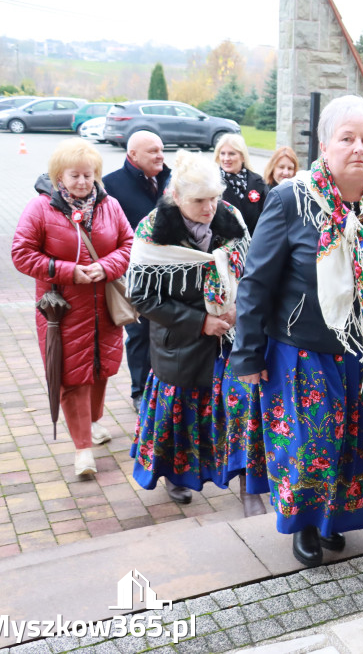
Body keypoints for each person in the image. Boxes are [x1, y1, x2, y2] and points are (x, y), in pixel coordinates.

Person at [231, 95, 363, 568]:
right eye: (346, 138)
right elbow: (256, 280)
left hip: (358, 348)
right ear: (325, 146)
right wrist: (247, 354)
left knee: (352, 439)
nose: (358, 148)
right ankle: (305, 524)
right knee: (310, 445)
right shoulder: (292, 199)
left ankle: (335, 521)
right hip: (299, 347)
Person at [126, 151, 251, 506]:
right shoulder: (154, 229)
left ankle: (240, 470)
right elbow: (141, 297)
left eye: (214, 198)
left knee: (235, 406)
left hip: (229, 336)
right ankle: (176, 475)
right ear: (176, 197)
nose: (210, 208)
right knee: (178, 414)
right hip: (179, 342)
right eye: (199, 200)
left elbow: (250, 269)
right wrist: (201, 322)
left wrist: (240, 308)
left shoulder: (231, 218)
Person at [12, 139, 134, 476]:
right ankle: (82, 450)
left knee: (101, 368)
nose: (82, 182)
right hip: (63, 311)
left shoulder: (110, 205)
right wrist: (68, 271)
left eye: (88, 175)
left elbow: (128, 244)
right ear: (58, 177)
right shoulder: (40, 208)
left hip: (105, 309)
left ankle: (92, 422)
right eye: (75, 175)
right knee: (70, 376)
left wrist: (107, 267)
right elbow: (21, 254)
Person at [103, 130, 170, 403]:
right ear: (132, 155)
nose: (160, 155)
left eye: (162, 149)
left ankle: (164, 387)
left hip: (172, 270)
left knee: (169, 327)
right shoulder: (111, 185)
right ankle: (140, 391)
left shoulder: (172, 178)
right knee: (140, 332)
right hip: (135, 273)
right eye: (153, 151)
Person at [214, 133, 267, 235]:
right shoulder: (212, 182)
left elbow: (266, 218)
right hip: (222, 246)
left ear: (243, 157)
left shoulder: (258, 182)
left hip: (253, 244)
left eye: (231, 154)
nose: (226, 158)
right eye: (222, 153)